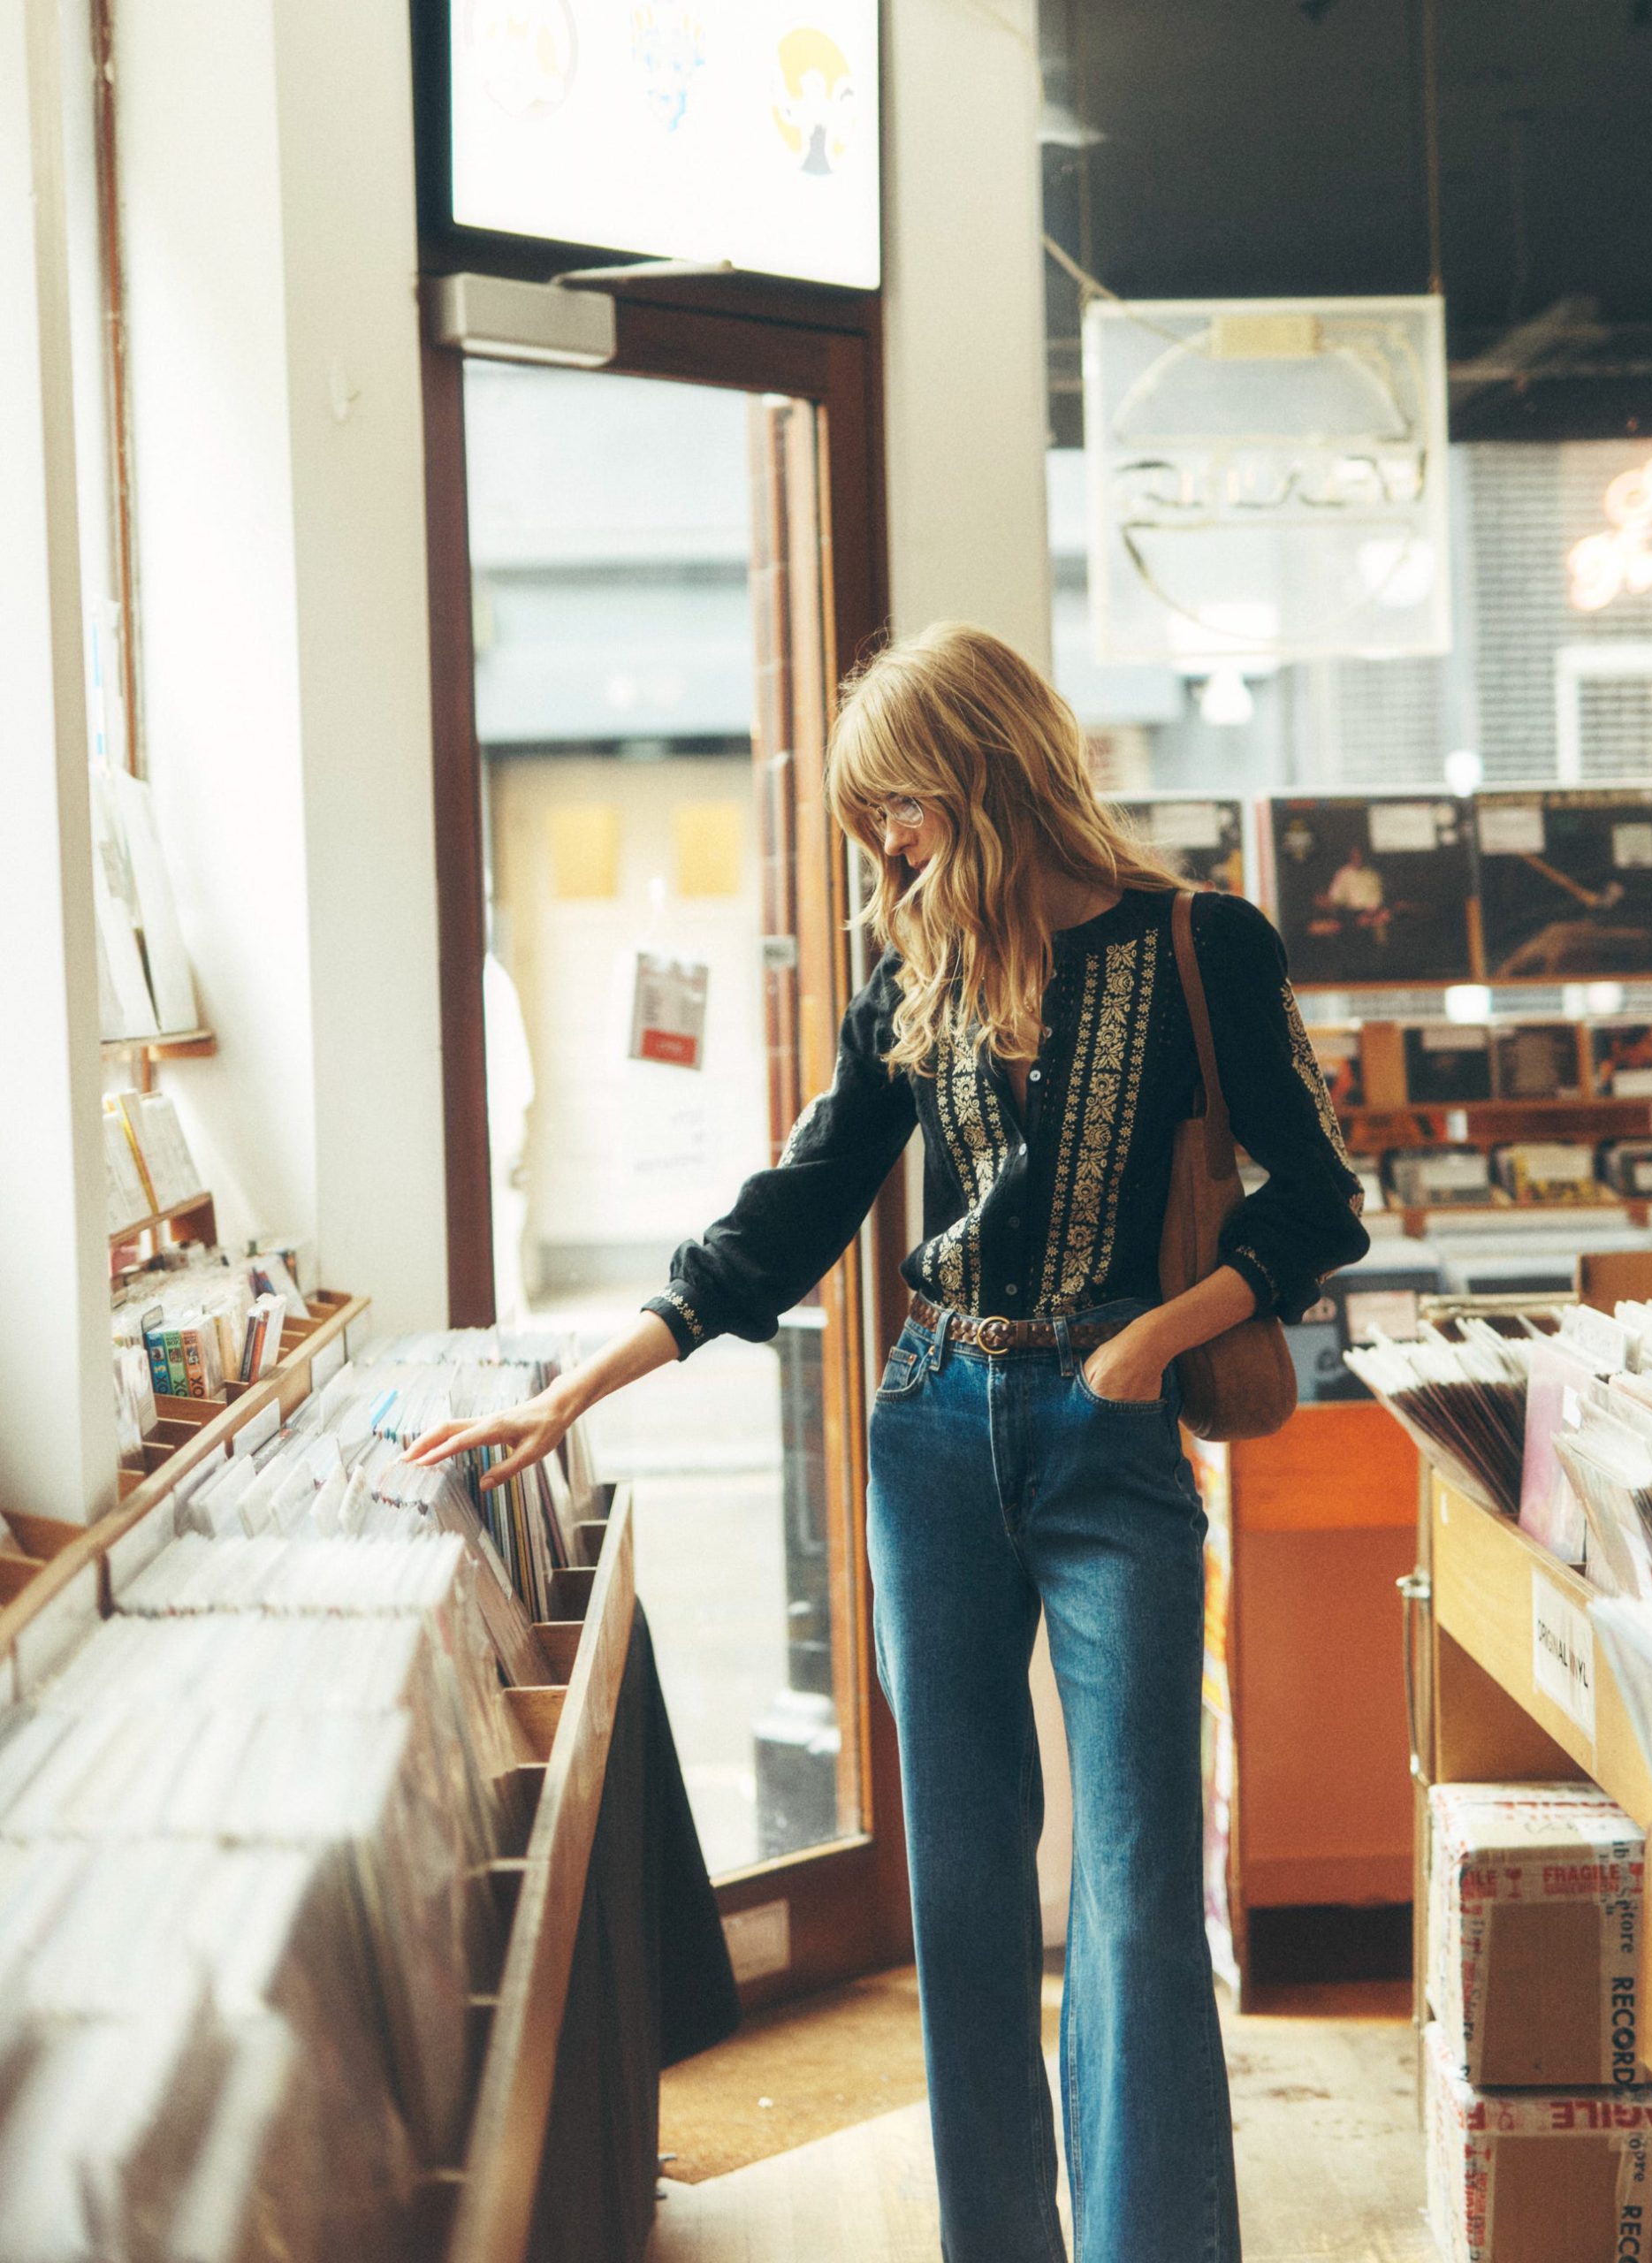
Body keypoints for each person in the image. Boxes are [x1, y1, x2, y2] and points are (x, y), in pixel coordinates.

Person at [405, 621, 1370, 2263]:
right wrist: (575, 1385)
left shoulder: (1207, 944)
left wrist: (1152, 1335)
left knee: (1133, 1882)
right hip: (930, 1432)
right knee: (965, 1887)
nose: (887, 846)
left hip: (1111, 1433)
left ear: (984, 772)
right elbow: (790, 1218)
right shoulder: (916, 971)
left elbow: (1322, 1205)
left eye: (901, 809)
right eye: (872, 823)